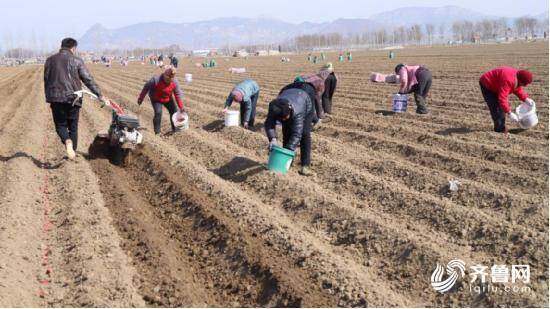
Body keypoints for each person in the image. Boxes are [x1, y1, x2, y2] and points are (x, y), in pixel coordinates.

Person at [44, 38, 109, 160]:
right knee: (73, 127)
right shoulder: (77, 60)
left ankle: (67, 141)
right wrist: (100, 95)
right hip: (74, 97)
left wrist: (49, 97)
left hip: (56, 98)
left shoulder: (50, 60)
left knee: (60, 125)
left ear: (62, 46)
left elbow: (47, 79)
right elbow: (88, 79)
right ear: (73, 48)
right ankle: (72, 153)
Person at [265, 82, 315, 176]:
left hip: (306, 93)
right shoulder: (274, 107)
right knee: (287, 129)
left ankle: (305, 166)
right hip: (288, 90)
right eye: (281, 119)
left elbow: (297, 133)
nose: (283, 120)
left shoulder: (298, 110)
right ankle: (288, 163)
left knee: (304, 133)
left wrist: (288, 150)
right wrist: (272, 139)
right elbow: (269, 124)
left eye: (285, 117)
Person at [479, 67, 534, 133]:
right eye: (523, 84)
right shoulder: (508, 80)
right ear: (520, 81)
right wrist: (509, 112)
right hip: (487, 84)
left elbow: (517, 88)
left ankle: (501, 128)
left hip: (497, 83)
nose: (523, 86)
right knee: (497, 109)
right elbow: (502, 98)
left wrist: (526, 99)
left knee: (500, 107)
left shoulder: (517, 76)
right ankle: (500, 130)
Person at [137, 66, 185, 135]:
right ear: (164, 74)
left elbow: (177, 95)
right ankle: (157, 132)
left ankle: (174, 129)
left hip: (167, 98)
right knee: (158, 112)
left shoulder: (174, 82)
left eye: (171, 78)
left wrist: (181, 107)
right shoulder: (155, 80)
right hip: (156, 99)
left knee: (174, 111)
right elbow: (146, 88)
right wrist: (140, 99)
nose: (169, 80)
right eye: (168, 77)